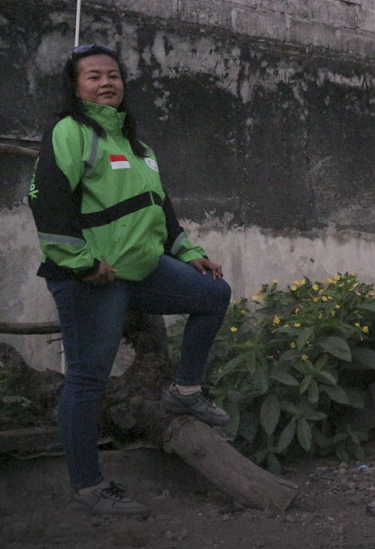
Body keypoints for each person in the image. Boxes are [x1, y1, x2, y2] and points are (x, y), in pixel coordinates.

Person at [27, 43, 232, 516]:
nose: (106, 83)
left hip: (140, 268)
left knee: (212, 294)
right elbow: (46, 200)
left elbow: (161, 209)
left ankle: (185, 393)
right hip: (92, 277)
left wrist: (190, 252)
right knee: (87, 379)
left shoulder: (137, 145)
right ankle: (88, 487)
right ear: (75, 86)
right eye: (94, 76)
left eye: (113, 75)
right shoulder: (71, 131)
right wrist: (80, 263)